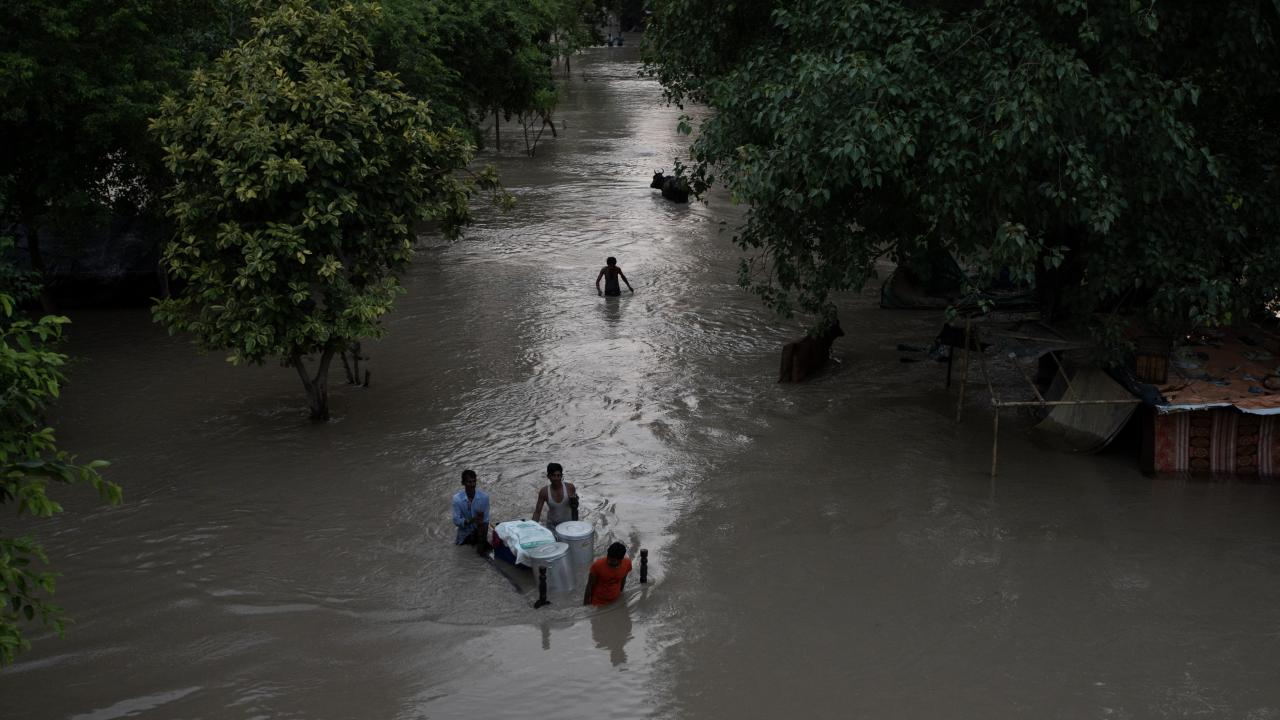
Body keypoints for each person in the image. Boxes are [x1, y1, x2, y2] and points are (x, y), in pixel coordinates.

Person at [584, 542, 632, 606]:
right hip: (598, 603)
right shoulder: (597, 565)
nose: (609, 561)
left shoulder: (627, 564)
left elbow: (623, 579)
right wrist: (586, 605)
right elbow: (589, 585)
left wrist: (621, 594)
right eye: (608, 557)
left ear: (620, 560)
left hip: (616, 600)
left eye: (613, 561)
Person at [451, 469, 490, 549]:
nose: (472, 484)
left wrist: (483, 541)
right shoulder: (457, 499)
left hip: (479, 532)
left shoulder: (484, 497)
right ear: (463, 483)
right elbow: (456, 521)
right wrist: (472, 520)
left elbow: (485, 521)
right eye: (469, 482)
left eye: (474, 481)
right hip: (465, 535)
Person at [532, 462, 577, 528]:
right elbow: (537, 512)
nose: (556, 478)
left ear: (561, 476)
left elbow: (575, 509)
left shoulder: (570, 488)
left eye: (558, 475)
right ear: (548, 476)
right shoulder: (544, 492)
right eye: (553, 475)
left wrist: (576, 525)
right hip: (552, 527)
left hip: (568, 526)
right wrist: (532, 527)